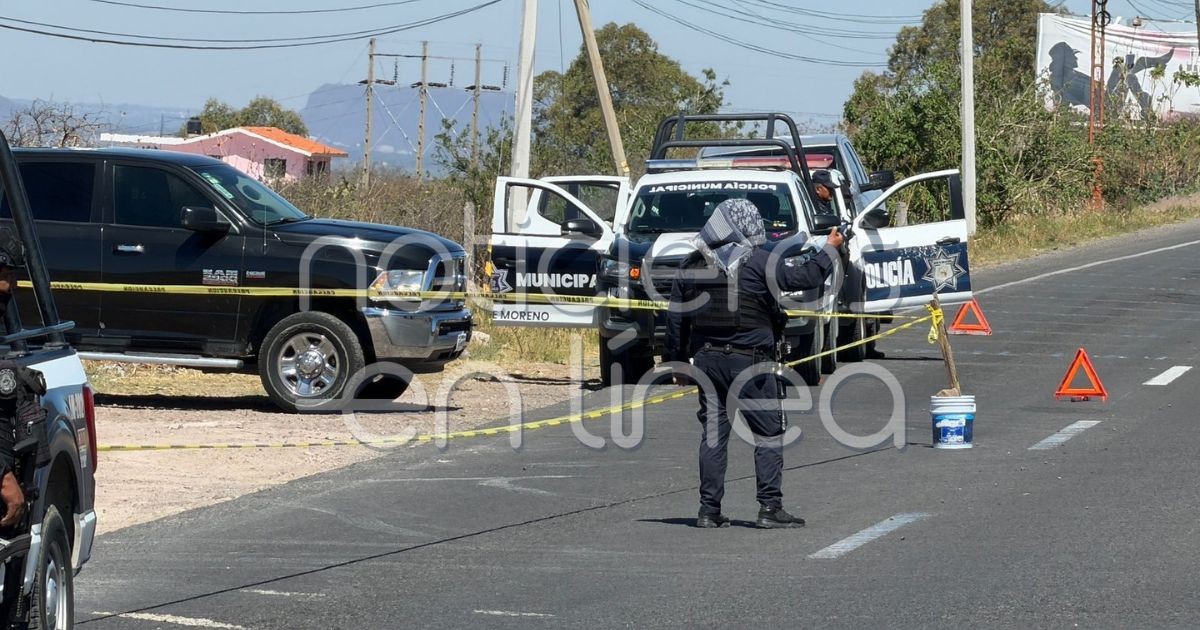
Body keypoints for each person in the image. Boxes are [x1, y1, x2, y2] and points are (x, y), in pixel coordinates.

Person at [666, 198, 842, 529]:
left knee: (714, 436)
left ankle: (708, 510)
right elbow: (804, 277)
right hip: (751, 364)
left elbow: (676, 317)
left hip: (706, 362)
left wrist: (676, 363)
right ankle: (769, 508)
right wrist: (830, 249)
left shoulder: (691, 263)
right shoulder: (760, 262)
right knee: (768, 433)